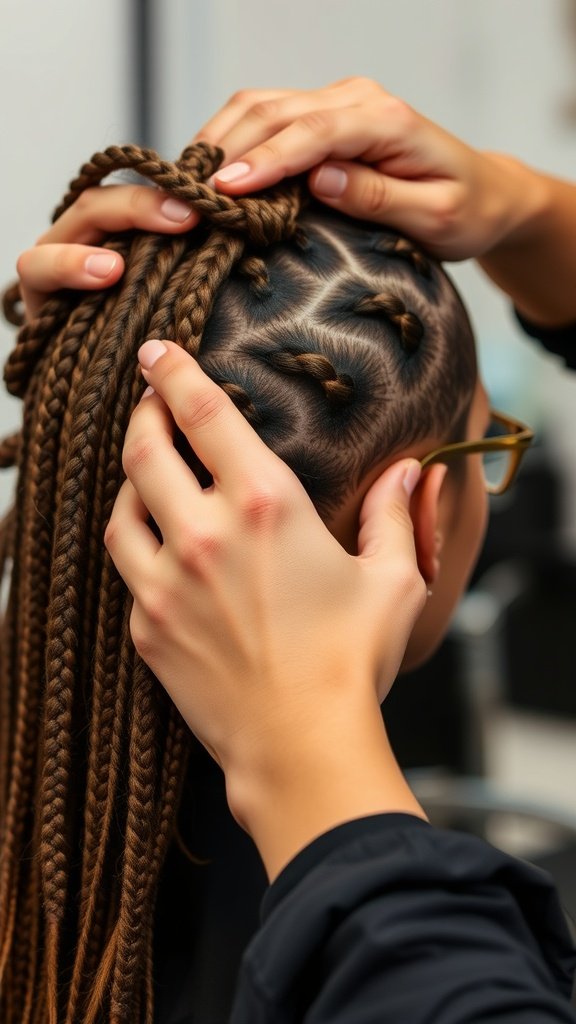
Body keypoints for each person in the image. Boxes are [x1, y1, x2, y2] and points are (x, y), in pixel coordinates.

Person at [6, 79, 576, 1022]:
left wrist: (527, 212)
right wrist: (522, 205)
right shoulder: (454, 973)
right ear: (423, 518)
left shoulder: (46, 895)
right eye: (494, 441)